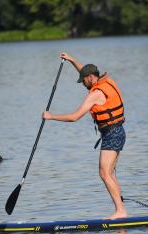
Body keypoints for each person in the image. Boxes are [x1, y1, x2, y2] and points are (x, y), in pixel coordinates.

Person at [43, 53, 127, 219]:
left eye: (83, 81)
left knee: (104, 173)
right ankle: (120, 209)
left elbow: (74, 117)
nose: (83, 84)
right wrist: (72, 60)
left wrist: (51, 116)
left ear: (90, 78)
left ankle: (120, 211)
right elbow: (85, 70)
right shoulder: (106, 81)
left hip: (112, 134)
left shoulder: (95, 94)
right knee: (110, 173)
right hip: (118, 132)